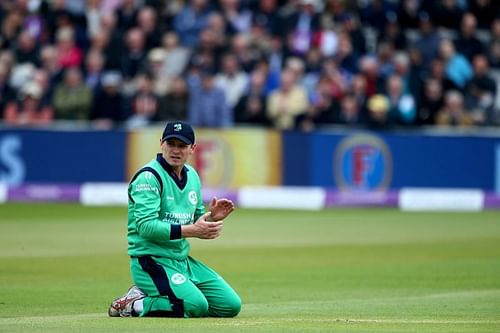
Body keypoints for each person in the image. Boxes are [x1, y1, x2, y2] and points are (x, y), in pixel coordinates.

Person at [108, 121, 241, 318]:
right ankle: (134, 303)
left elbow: (195, 221)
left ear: (192, 149)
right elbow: (145, 227)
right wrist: (192, 230)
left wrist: (211, 218)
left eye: (182, 146)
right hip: (151, 261)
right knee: (196, 306)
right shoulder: (149, 177)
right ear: (161, 143)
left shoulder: (193, 176)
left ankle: (174, 296)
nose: (175, 150)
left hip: (181, 260)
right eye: (171, 144)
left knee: (230, 305)